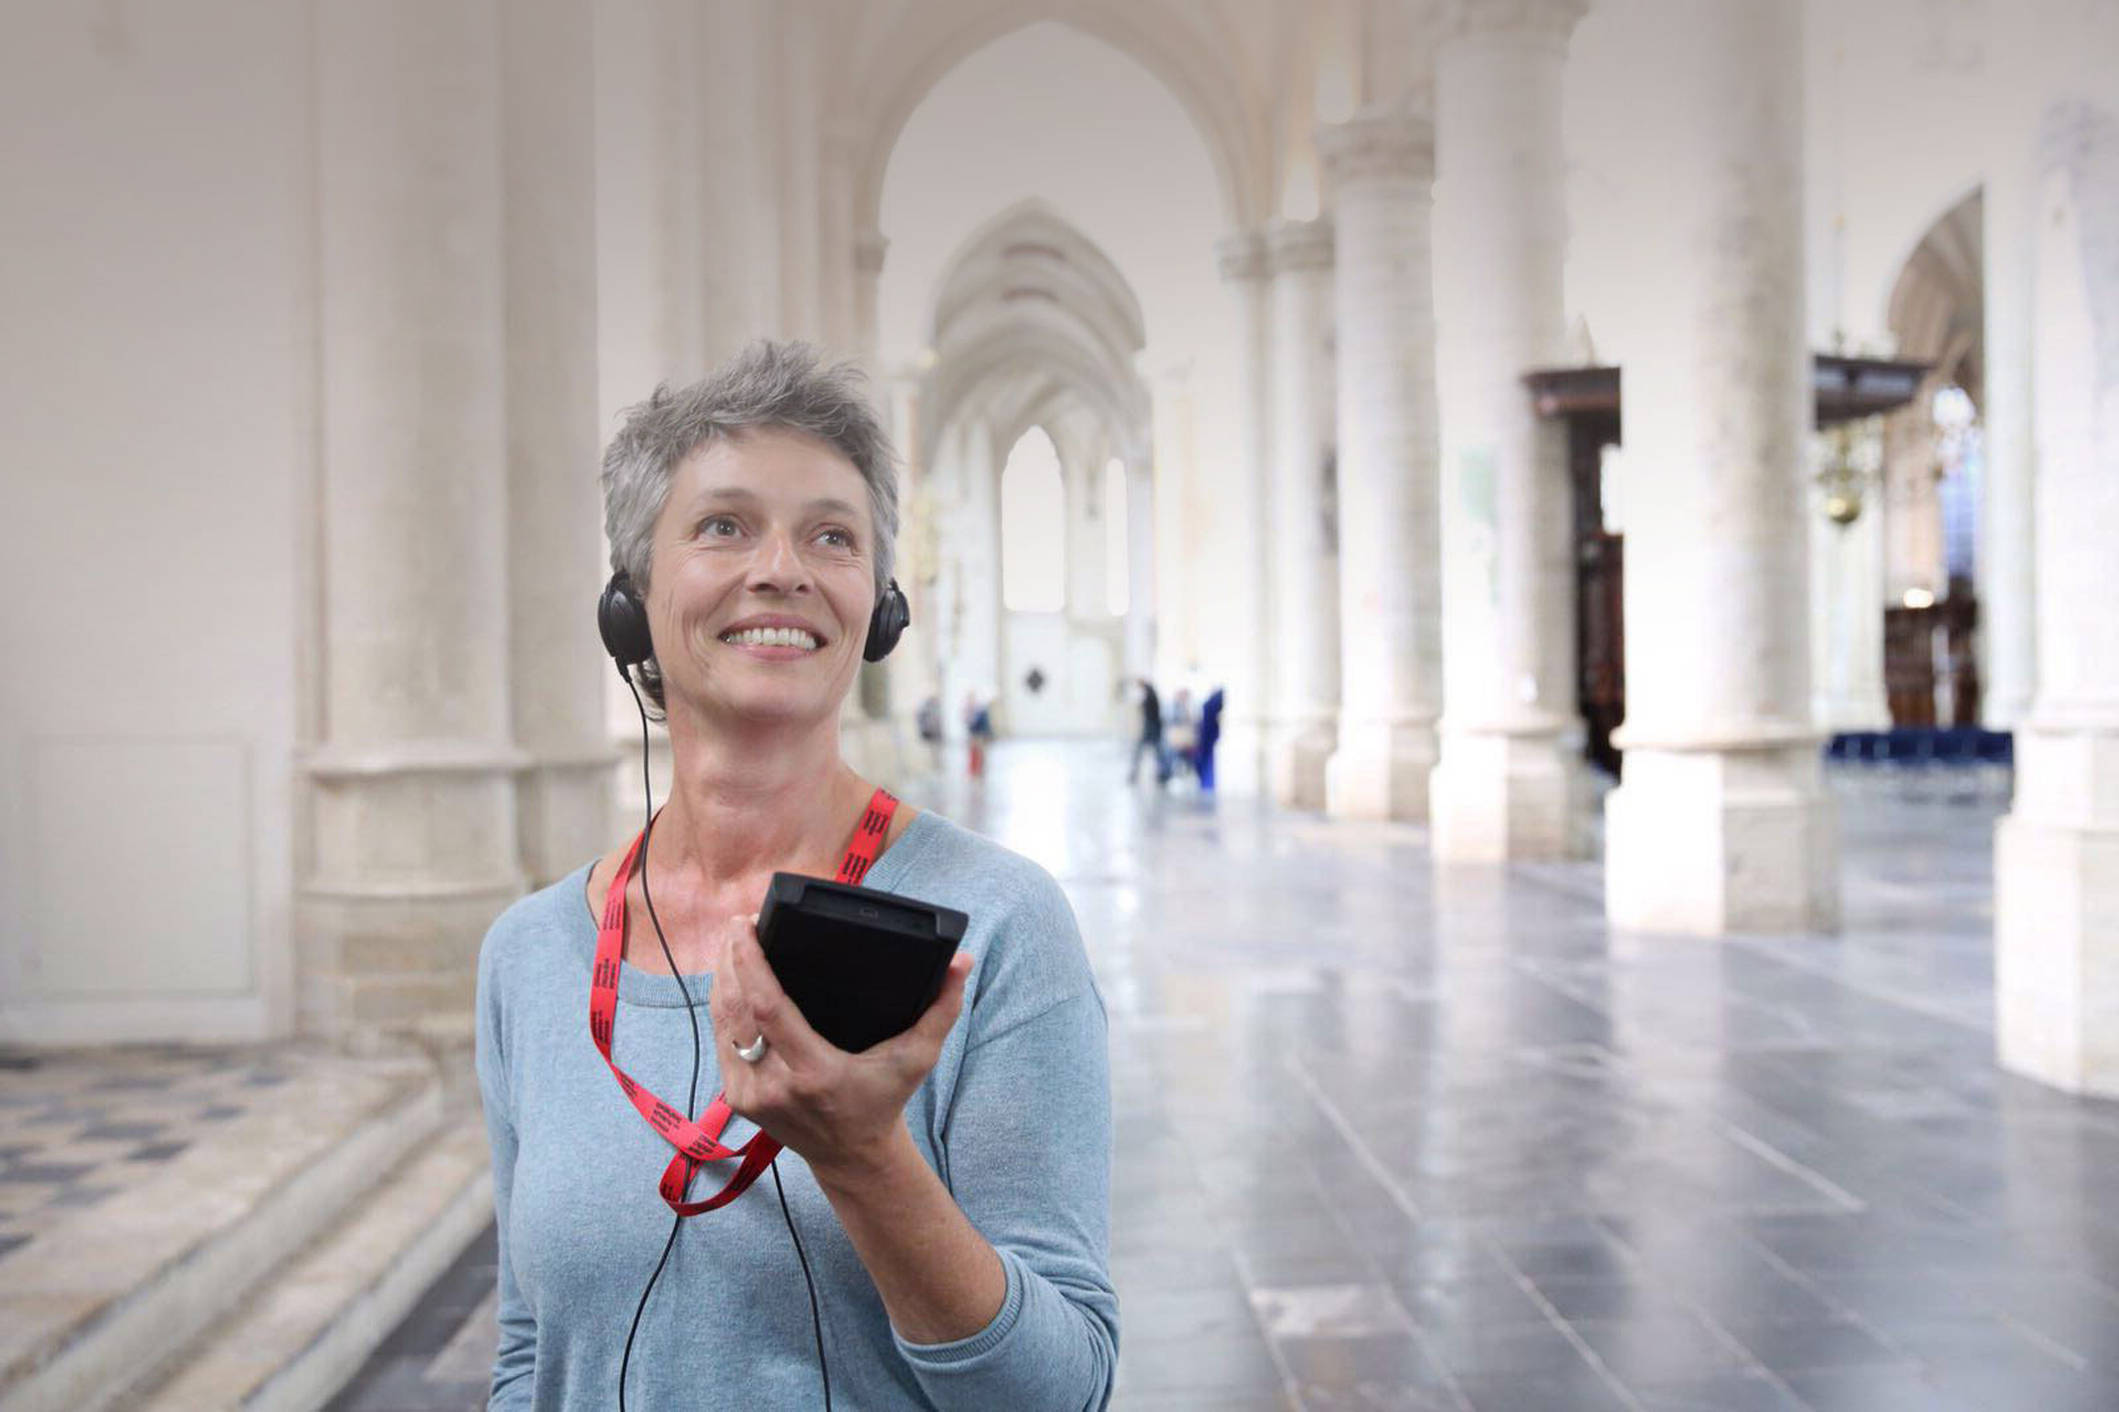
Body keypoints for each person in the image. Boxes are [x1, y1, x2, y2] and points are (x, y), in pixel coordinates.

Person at [475, 342, 1116, 1411]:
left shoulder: (996, 923)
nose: (783, 567)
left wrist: (865, 1159)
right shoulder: (531, 954)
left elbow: (1059, 1392)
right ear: (628, 601)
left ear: (879, 608)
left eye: (832, 534)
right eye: (723, 525)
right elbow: (528, 1353)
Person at [1126, 678, 1170, 786]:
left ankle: (1163, 773)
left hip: (1151, 728)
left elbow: (1149, 712)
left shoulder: (1150, 696)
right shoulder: (1151, 695)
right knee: (1157, 752)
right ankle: (1163, 772)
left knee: (1143, 751)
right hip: (1152, 728)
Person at [1194, 686, 1224, 793]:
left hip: (1207, 736)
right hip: (1209, 735)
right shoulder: (1212, 703)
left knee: (1205, 760)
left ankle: (1206, 784)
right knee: (1206, 760)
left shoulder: (1209, 703)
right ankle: (1207, 784)